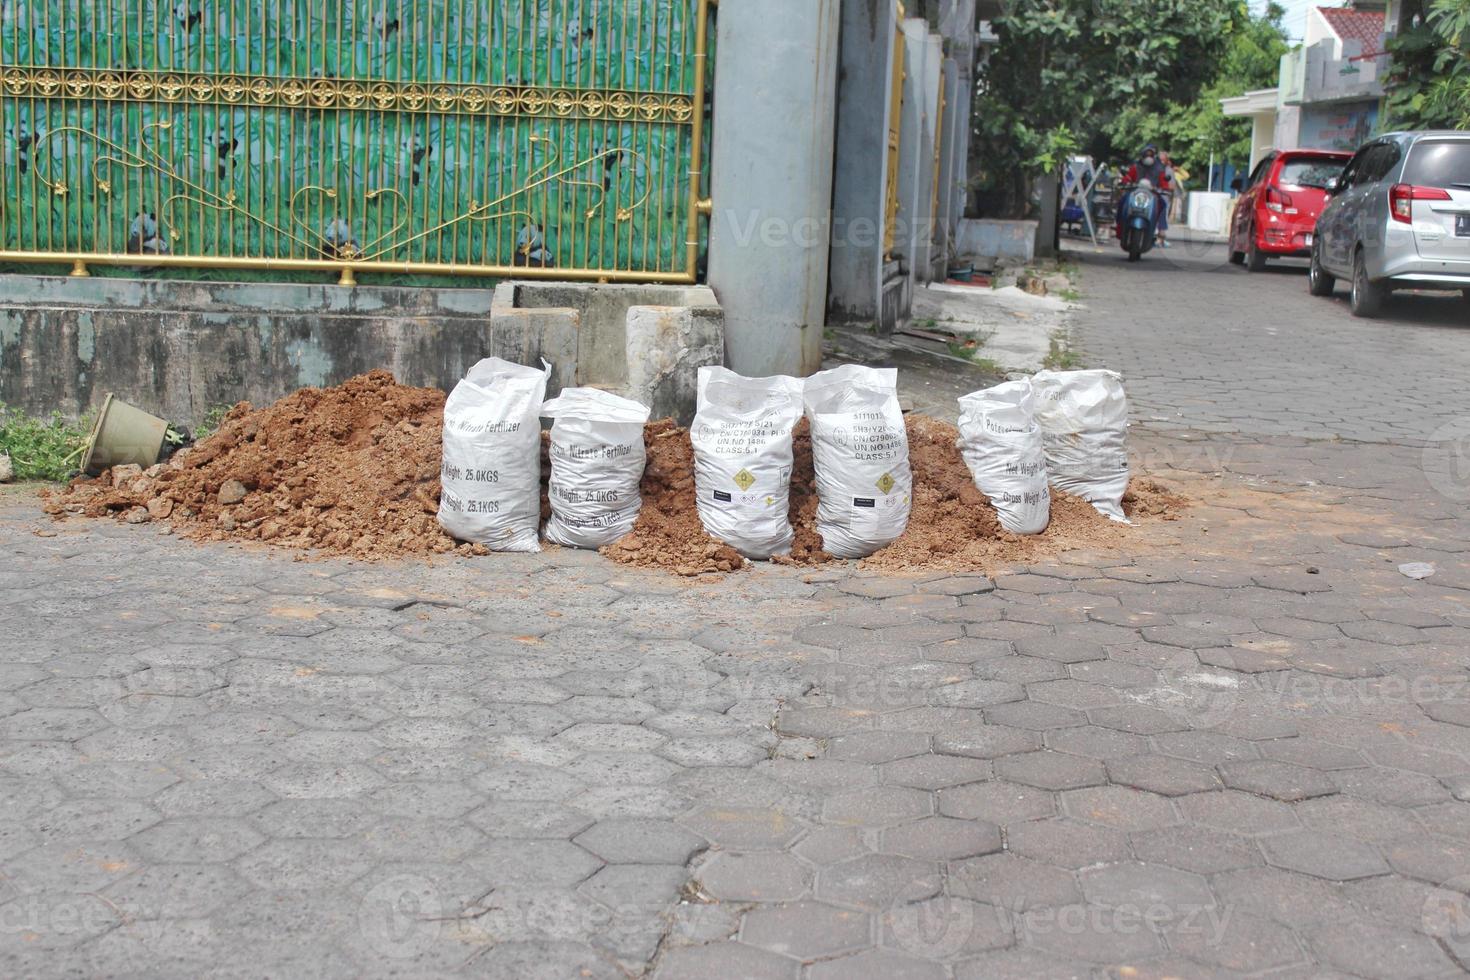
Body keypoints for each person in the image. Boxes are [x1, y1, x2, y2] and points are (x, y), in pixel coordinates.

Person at [1122, 144, 1173, 247]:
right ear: (1142, 155)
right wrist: (1125, 183)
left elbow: (1164, 183)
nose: (1148, 157)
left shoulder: (1160, 168)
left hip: (1152, 195)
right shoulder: (1135, 166)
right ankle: (1120, 225)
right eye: (1146, 155)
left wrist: (1163, 188)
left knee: (1162, 204)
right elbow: (1127, 178)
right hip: (1135, 193)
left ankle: (1161, 230)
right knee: (1123, 201)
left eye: (1151, 155)